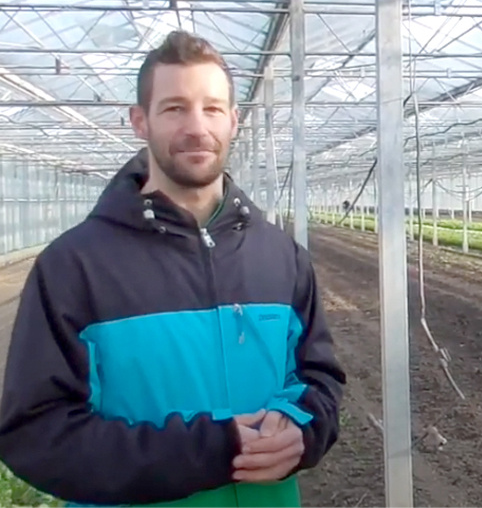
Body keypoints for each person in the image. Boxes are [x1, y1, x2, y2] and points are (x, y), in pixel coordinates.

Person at [0, 30, 346, 507]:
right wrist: (212, 449)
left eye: (211, 108)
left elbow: (321, 378)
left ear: (233, 120)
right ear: (140, 121)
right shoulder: (75, 266)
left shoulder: (282, 258)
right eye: (174, 108)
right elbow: (36, 432)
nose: (196, 127)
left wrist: (305, 431)